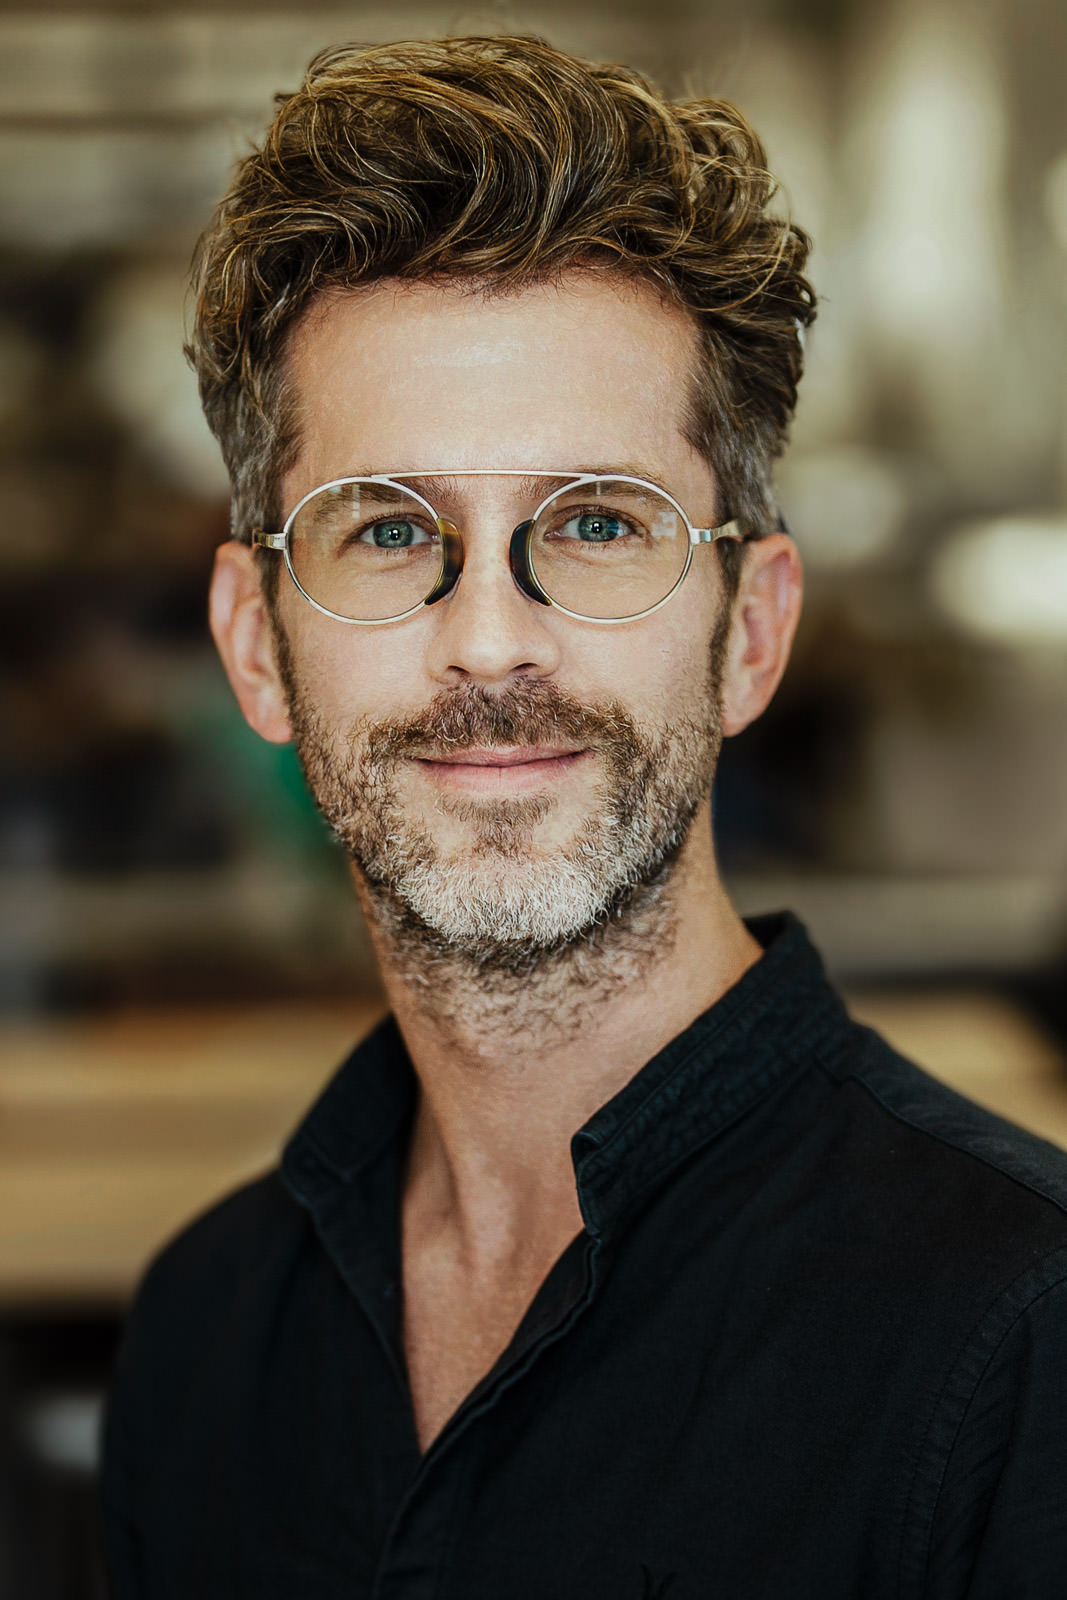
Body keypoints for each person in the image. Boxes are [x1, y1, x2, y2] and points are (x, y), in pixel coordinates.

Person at [101, 35, 1067, 1599]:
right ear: (251, 646)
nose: (491, 641)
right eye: (390, 529)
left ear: (751, 630)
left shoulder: (1024, 1341)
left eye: (601, 523)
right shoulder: (209, 1335)